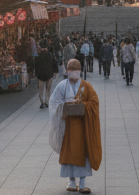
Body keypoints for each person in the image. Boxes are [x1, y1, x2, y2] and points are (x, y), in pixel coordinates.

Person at [48, 59, 102, 194]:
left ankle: (82, 183)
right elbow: (54, 102)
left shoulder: (87, 86)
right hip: (68, 127)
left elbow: (94, 102)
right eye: (71, 70)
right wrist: (66, 105)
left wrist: (83, 105)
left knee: (82, 153)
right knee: (69, 154)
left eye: (76, 70)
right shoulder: (62, 86)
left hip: (82, 126)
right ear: (67, 71)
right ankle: (72, 182)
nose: (73, 73)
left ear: (79, 71)